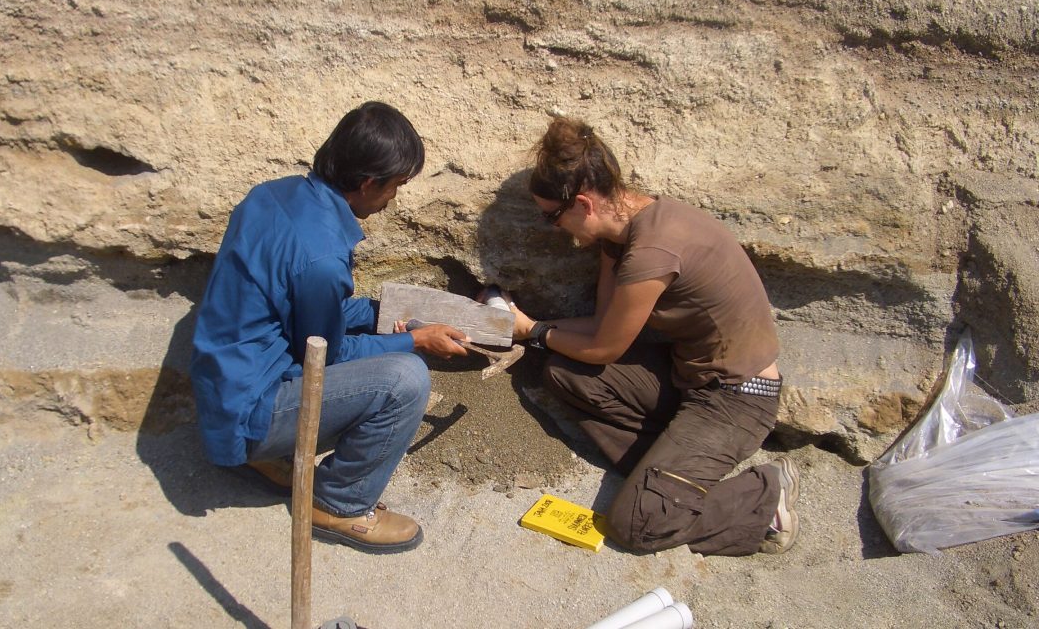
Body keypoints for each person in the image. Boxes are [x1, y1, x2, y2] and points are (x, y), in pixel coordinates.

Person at [507, 116, 799, 556]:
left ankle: (762, 496)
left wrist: (533, 331)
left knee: (636, 526)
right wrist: (523, 324)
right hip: (689, 380)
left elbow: (607, 346)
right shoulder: (623, 234)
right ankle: (665, 476)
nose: (555, 229)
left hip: (737, 398)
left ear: (583, 205)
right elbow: (603, 323)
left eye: (552, 217)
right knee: (566, 373)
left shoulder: (651, 253)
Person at [190, 101, 468, 554]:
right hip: (249, 414)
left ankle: (276, 458)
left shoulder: (272, 194)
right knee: (405, 379)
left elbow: (302, 305)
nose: (394, 198)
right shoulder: (320, 258)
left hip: (222, 390)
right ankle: (338, 503)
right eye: (396, 186)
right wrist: (413, 340)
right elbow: (324, 357)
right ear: (367, 183)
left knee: (384, 353)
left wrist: (382, 314)